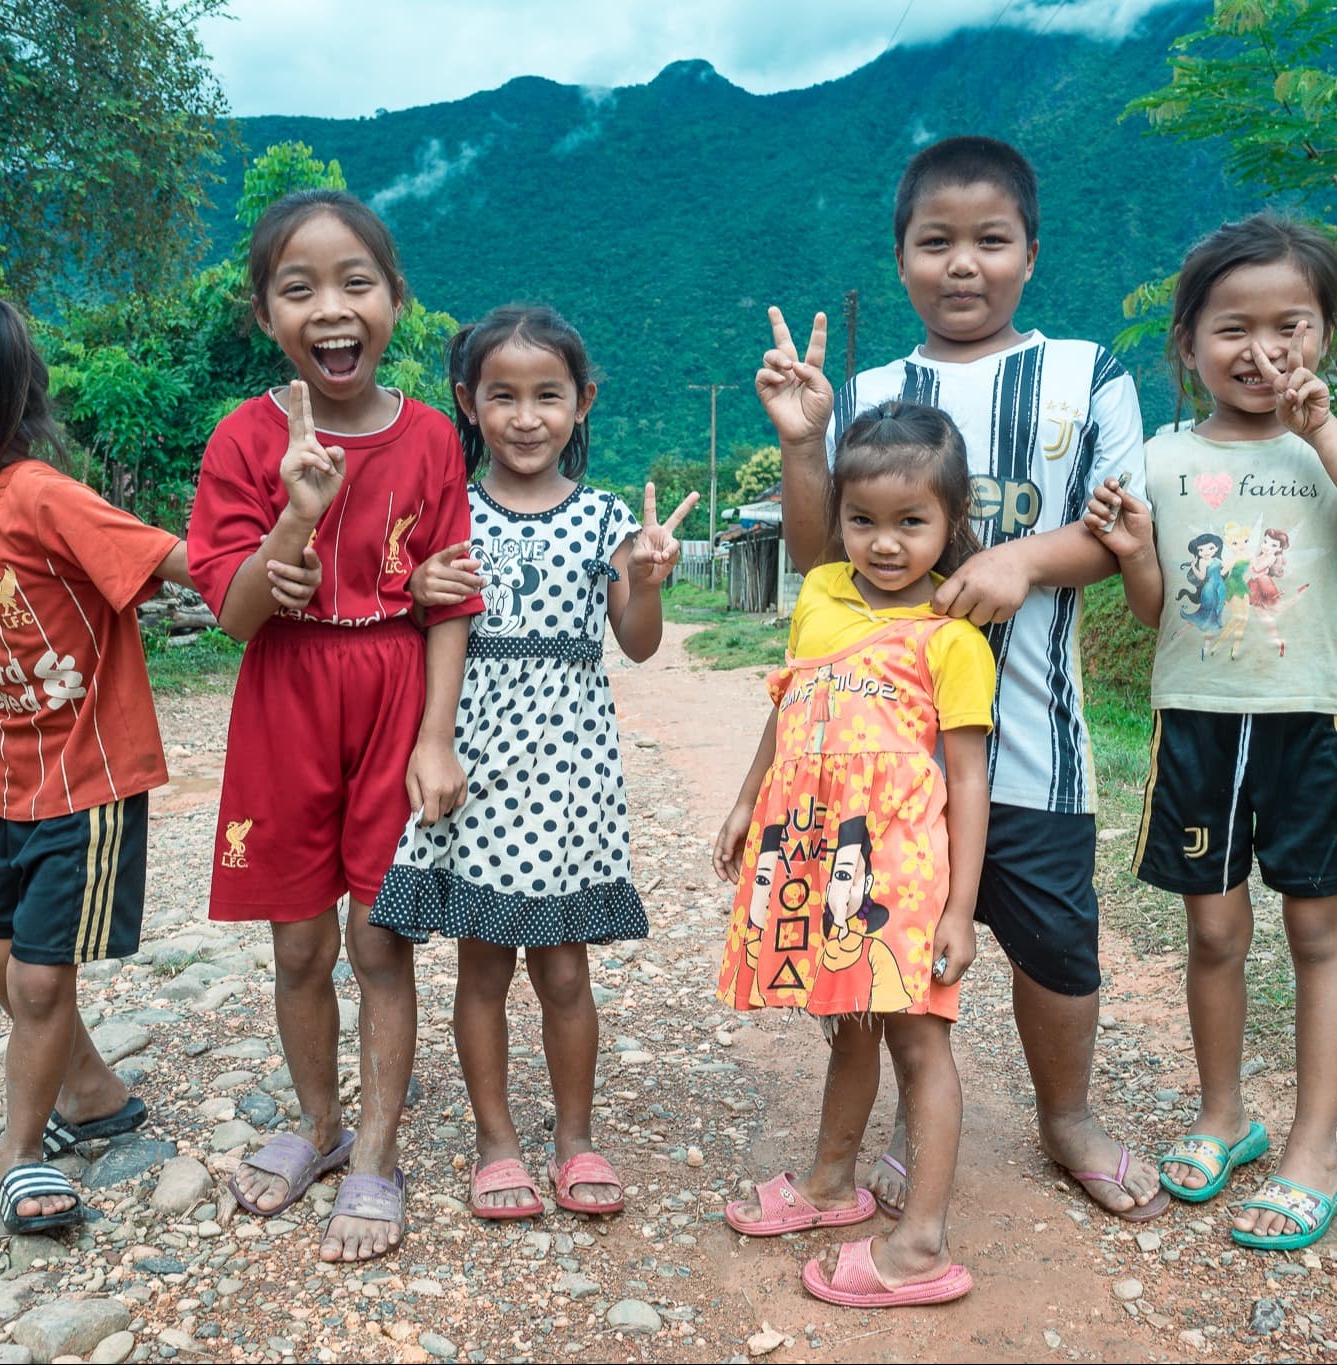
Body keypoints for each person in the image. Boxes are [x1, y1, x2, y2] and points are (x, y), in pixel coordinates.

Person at [762, 136, 1166, 1221]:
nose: (962, 264)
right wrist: (805, 447)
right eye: (936, 242)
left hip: (1034, 736)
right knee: (892, 949)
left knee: (1057, 949)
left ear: (1031, 252)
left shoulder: (1091, 376)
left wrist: (1023, 558)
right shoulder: (871, 389)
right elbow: (818, 558)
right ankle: (909, 1124)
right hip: (880, 771)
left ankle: (1067, 1115)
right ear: (900, 257)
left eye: (990, 241)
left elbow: (1120, 533)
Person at [0, 299, 313, 1234]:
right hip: (2, 775)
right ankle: (88, 1086)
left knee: (42, 979)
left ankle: (19, 1152)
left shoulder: (40, 493)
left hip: (85, 776)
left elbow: (173, 557)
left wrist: (269, 563)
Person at [186, 190, 480, 1263]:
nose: (331, 306)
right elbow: (232, 613)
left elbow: (448, 600)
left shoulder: (435, 438)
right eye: (298, 288)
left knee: (380, 940)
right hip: (285, 706)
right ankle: (318, 1125)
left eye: (356, 281)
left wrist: (436, 738)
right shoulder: (242, 437)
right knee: (300, 942)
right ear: (266, 314)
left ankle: (378, 1153)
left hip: (395, 698)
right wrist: (297, 513)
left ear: (394, 299)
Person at [370, 306, 695, 1219]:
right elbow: (421, 624)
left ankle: (576, 1140)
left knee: (562, 969)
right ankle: (495, 1142)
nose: (524, 417)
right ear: (468, 404)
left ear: (581, 402)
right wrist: (416, 590)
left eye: (547, 395)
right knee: (482, 964)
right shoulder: (448, 512)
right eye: (502, 396)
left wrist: (650, 577)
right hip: (475, 764)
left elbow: (634, 643)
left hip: (568, 769)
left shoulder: (602, 520)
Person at [1083, 214, 1337, 1250]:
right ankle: (1225, 1115)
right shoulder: (1163, 456)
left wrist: (1322, 430)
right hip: (1195, 725)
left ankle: (1315, 1145)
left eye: (1293, 325)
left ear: (1323, 335)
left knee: (1318, 939)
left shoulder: (1325, 448)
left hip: (1313, 723)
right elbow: (1152, 609)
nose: (1263, 351)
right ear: (1187, 342)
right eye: (1234, 327)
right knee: (1215, 934)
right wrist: (1137, 548)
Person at [713, 402, 992, 1307]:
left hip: (905, 876)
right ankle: (833, 1186)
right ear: (838, 519)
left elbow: (967, 778)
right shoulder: (822, 597)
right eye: (863, 520)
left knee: (919, 1043)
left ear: (952, 525)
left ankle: (920, 1245)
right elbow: (786, 704)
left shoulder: (953, 639)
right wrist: (748, 798)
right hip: (818, 856)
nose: (883, 543)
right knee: (847, 1019)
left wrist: (958, 909)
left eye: (911, 522)